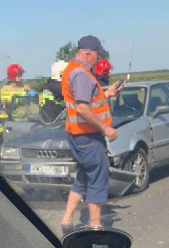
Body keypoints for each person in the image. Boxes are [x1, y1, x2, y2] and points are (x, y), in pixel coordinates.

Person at [60, 35, 122, 232]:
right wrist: (106, 128)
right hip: (88, 137)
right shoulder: (81, 74)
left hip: (77, 136)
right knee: (97, 178)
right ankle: (95, 226)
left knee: (84, 177)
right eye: (97, 55)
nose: (98, 59)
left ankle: (66, 220)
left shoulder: (72, 70)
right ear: (87, 53)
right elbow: (82, 108)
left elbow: (85, 100)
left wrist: (106, 94)